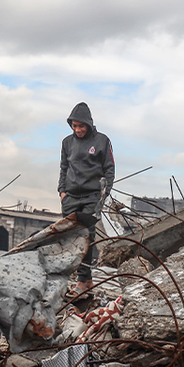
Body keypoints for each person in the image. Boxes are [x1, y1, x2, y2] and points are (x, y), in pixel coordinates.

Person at [58, 102, 114, 296]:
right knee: (71, 236)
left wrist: (103, 196)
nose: (78, 129)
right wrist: (62, 192)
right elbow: (64, 168)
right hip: (71, 196)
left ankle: (82, 280)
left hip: (92, 196)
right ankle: (85, 279)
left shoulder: (102, 141)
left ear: (88, 124)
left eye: (81, 126)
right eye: (74, 126)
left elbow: (109, 170)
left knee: (87, 236)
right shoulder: (67, 143)